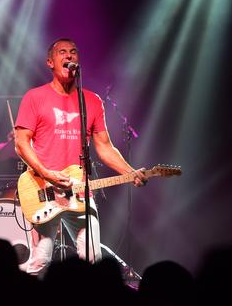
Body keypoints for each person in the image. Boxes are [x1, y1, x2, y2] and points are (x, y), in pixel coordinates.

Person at [14, 38, 147, 275]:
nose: (69, 56)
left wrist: (130, 171)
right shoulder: (35, 97)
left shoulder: (92, 101)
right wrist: (46, 174)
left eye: (73, 52)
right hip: (44, 189)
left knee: (92, 256)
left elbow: (104, 147)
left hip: (79, 191)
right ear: (50, 62)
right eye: (62, 52)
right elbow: (21, 143)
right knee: (40, 259)